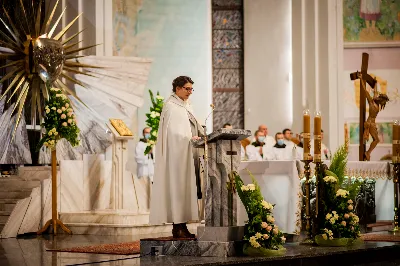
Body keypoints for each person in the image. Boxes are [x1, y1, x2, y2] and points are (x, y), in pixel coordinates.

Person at [149, 76, 204, 238]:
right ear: (177, 88)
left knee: (186, 189)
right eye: (187, 88)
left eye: (191, 89)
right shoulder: (171, 107)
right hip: (177, 156)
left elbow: (193, 127)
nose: (189, 92)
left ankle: (182, 225)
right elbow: (172, 133)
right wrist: (188, 138)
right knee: (178, 188)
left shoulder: (185, 106)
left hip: (188, 153)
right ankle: (178, 226)